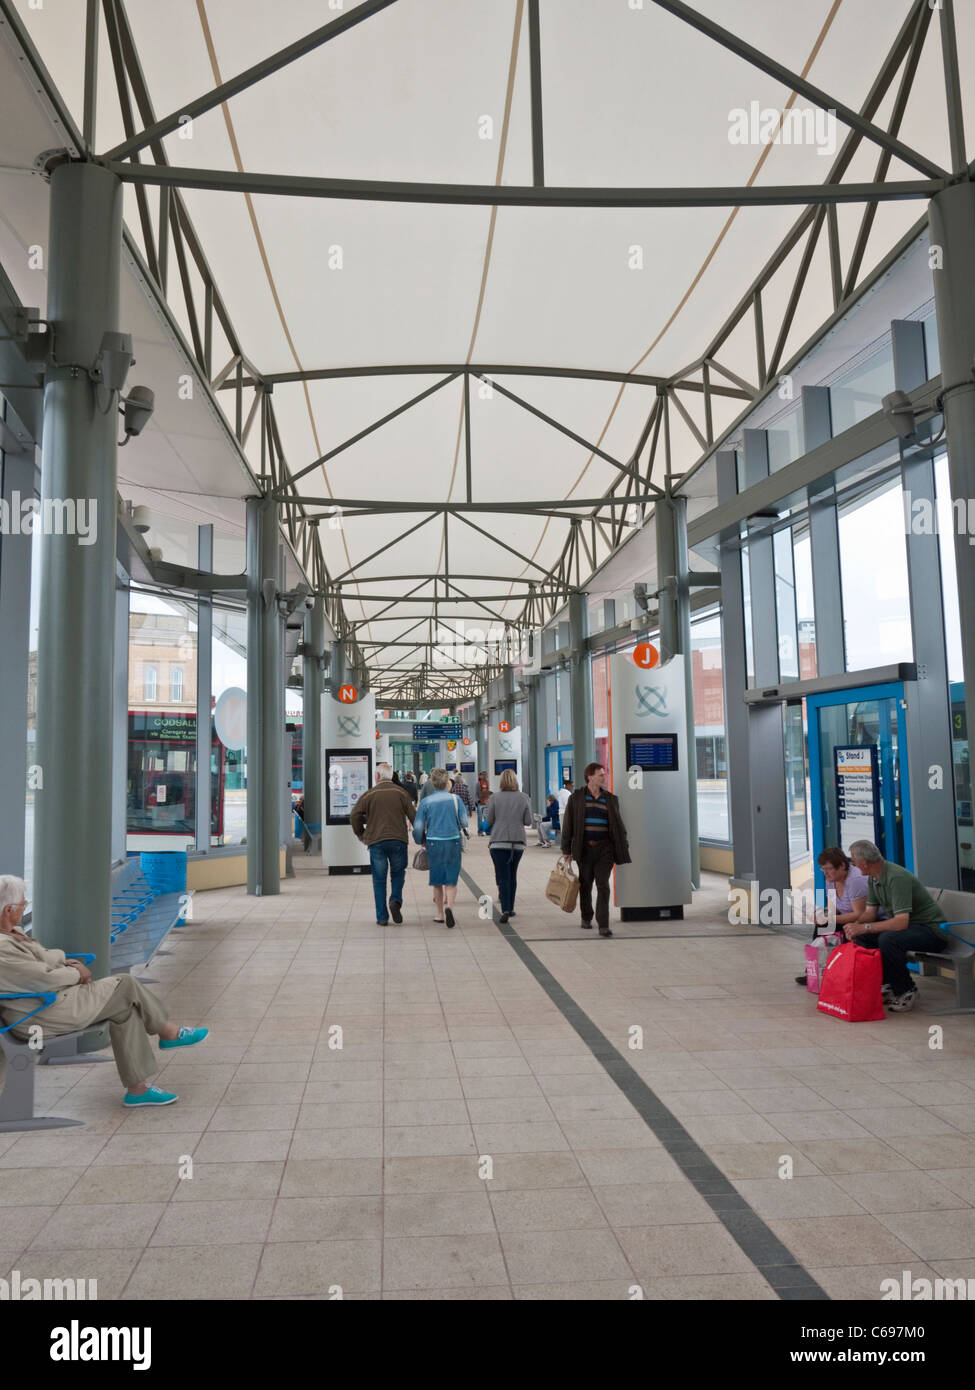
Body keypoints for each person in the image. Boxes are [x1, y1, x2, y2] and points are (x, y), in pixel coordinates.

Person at [0, 875, 208, 1108]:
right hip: (40, 1014)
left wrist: (64, 962)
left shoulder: (13, 932)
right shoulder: (2, 948)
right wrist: (77, 974)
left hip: (52, 1003)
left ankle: (138, 1091)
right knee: (125, 984)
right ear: (8, 910)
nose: (25, 906)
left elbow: (48, 957)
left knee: (125, 1010)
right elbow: (42, 978)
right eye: (23, 904)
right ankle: (169, 1032)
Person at [846, 840, 949, 1011]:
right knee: (864, 936)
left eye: (853, 860)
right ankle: (887, 984)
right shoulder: (874, 878)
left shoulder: (896, 877)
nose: (853, 864)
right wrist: (855, 926)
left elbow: (901, 922)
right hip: (911, 929)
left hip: (931, 931)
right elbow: (870, 913)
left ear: (864, 862)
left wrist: (865, 927)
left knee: (888, 939)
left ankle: (906, 989)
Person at [561, 763, 630, 937]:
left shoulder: (610, 799)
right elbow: (568, 825)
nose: (603, 777)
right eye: (600, 775)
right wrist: (566, 849)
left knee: (603, 886)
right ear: (590, 776)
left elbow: (618, 825)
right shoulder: (576, 798)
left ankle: (603, 925)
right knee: (585, 885)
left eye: (603, 774)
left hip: (605, 849)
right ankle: (586, 917)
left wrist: (622, 845)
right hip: (584, 849)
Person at [793, 847, 871, 985]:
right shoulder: (831, 880)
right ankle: (813, 971)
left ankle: (838, 972)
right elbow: (833, 908)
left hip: (864, 919)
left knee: (834, 925)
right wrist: (821, 916)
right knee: (822, 925)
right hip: (847, 917)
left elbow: (860, 914)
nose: (825, 873)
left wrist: (830, 918)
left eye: (828, 868)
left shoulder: (855, 880)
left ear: (842, 866)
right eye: (823, 869)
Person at [350, 762, 416, 925]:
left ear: (377, 776)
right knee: (398, 874)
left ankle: (382, 917)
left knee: (379, 880)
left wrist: (360, 833)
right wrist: (421, 837)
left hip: (376, 841)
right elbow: (414, 817)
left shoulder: (369, 794)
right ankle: (395, 900)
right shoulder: (401, 793)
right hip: (398, 840)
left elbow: (354, 815)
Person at [412, 768, 468, 928]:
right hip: (453, 841)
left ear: (433, 783)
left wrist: (419, 840)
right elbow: (464, 822)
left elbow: (417, 827)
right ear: (447, 782)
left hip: (434, 842)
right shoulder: (456, 799)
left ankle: (440, 914)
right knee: (451, 879)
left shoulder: (426, 802)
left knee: (437, 880)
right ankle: (449, 906)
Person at [485, 769, 532, 923]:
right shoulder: (524, 797)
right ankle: (511, 908)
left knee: (503, 875)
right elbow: (528, 821)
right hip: (517, 843)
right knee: (513, 875)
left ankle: (505, 908)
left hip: (498, 842)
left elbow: (490, 819)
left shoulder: (494, 798)